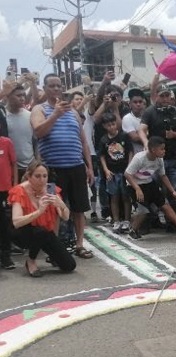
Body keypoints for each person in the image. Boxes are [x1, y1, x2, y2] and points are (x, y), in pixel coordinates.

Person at [30, 73, 95, 259]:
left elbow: (83, 142)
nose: (57, 89)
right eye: (52, 86)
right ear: (45, 88)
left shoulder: (74, 112)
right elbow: (38, 132)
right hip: (52, 169)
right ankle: (55, 249)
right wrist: (56, 114)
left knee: (79, 208)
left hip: (76, 166)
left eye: (59, 85)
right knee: (54, 208)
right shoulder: (39, 109)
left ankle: (80, 244)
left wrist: (89, 166)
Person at [9, 161, 76, 277]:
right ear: (29, 176)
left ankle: (52, 255)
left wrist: (62, 205)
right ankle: (31, 261)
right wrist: (39, 211)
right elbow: (16, 222)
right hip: (22, 233)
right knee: (39, 231)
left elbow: (65, 217)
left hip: (44, 233)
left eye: (45, 176)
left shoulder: (51, 190)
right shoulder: (19, 191)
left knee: (69, 265)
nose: (42, 180)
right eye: (37, 176)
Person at [125, 136, 176, 240]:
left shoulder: (159, 160)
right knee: (143, 211)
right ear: (153, 150)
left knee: (165, 204)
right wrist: (137, 188)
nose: (164, 151)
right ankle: (132, 230)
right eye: (162, 149)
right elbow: (127, 174)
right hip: (134, 185)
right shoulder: (139, 158)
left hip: (149, 183)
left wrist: (173, 191)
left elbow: (163, 175)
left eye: (164, 148)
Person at [99, 113, 134, 233]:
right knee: (113, 196)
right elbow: (102, 156)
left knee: (125, 196)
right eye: (109, 125)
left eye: (113, 124)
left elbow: (130, 151)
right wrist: (106, 170)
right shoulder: (104, 140)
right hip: (112, 172)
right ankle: (116, 220)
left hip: (124, 171)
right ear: (104, 126)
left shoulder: (124, 136)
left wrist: (129, 168)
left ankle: (127, 220)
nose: (112, 127)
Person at [0, 134, 17, 269]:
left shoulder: (6, 142)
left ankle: (6, 255)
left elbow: (14, 164)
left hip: (5, 190)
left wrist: (15, 185)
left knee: (5, 223)